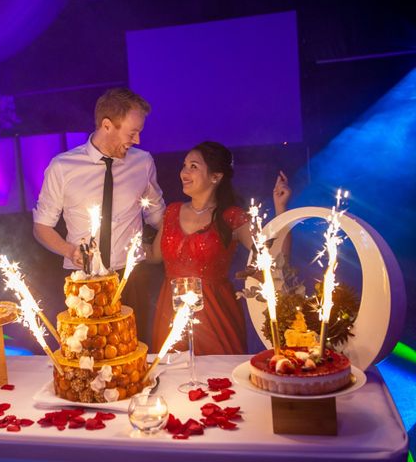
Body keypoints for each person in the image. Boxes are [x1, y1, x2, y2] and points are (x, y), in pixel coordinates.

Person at [33, 88, 165, 340]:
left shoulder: (143, 162)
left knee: (133, 351)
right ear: (107, 125)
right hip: (84, 282)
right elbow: (41, 227)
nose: (137, 140)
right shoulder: (62, 167)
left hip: (131, 277)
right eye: (132, 133)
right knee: (90, 356)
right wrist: (69, 251)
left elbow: (158, 216)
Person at [147, 141, 291, 355]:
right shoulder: (172, 212)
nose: (184, 172)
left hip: (215, 315)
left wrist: (281, 210)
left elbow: (274, 259)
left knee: (219, 383)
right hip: (171, 312)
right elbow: (154, 256)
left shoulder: (232, 217)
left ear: (216, 176)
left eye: (193, 166)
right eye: (184, 165)